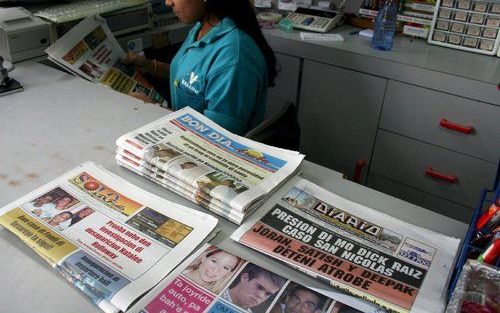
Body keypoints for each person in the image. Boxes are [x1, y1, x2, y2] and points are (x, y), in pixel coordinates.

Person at [122, 0, 277, 135]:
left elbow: (218, 136)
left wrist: (152, 109)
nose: (168, 2)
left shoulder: (233, 56)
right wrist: (149, 66)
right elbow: (194, 78)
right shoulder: (202, 28)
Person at [221, 263, 286, 312]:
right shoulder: (216, 291)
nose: (260, 295)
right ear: (245, 277)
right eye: (259, 287)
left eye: (268, 294)